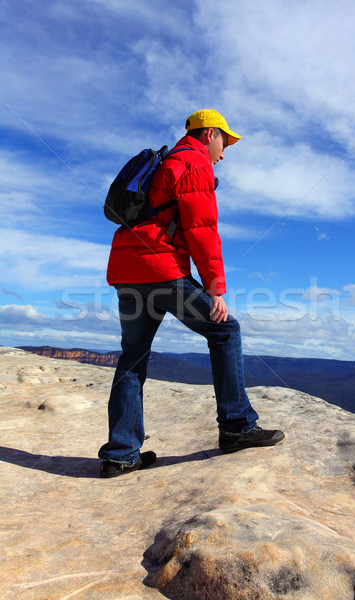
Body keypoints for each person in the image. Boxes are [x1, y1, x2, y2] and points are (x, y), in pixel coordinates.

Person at [98, 109, 284, 478]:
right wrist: (216, 289)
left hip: (126, 270)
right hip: (161, 268)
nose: (225, 152)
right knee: (225, 329)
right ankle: (236, 427)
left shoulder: (164, 162)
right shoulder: (193, 163)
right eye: (225, 142)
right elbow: (202, 229)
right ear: (209, 133)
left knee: (133, 357)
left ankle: (121, 454)